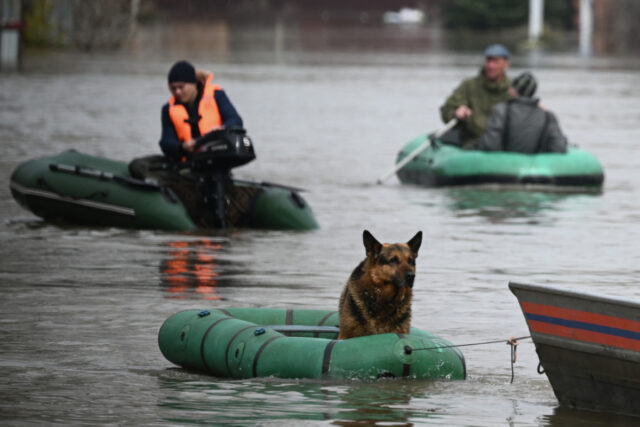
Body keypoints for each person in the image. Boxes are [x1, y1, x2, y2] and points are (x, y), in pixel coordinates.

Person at [159, 60, 243, 161]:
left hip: (216, 157)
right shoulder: (168, 109)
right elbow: (166, 141)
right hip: (187, 161)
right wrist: (182, 146)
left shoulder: (217, 95)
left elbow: (236, 120)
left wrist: (223, 128)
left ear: (193, 84)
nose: (177, 92)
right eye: (173, 88)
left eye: (181, 87)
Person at [474, 72, 568, 153]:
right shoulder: (547, 116)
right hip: (536, 170)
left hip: (502, 170)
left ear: (513, 90)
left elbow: (490, 145)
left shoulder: (501, 110)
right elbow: (558, 147)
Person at [440, 44, 512, 148]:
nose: (491, 66)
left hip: (504, 144)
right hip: (473, 142)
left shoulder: (514, 89)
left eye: (495, 62)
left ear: (506, 64)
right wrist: (456, 112)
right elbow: (447, 109)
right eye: (488, 61)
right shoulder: (469, 86)